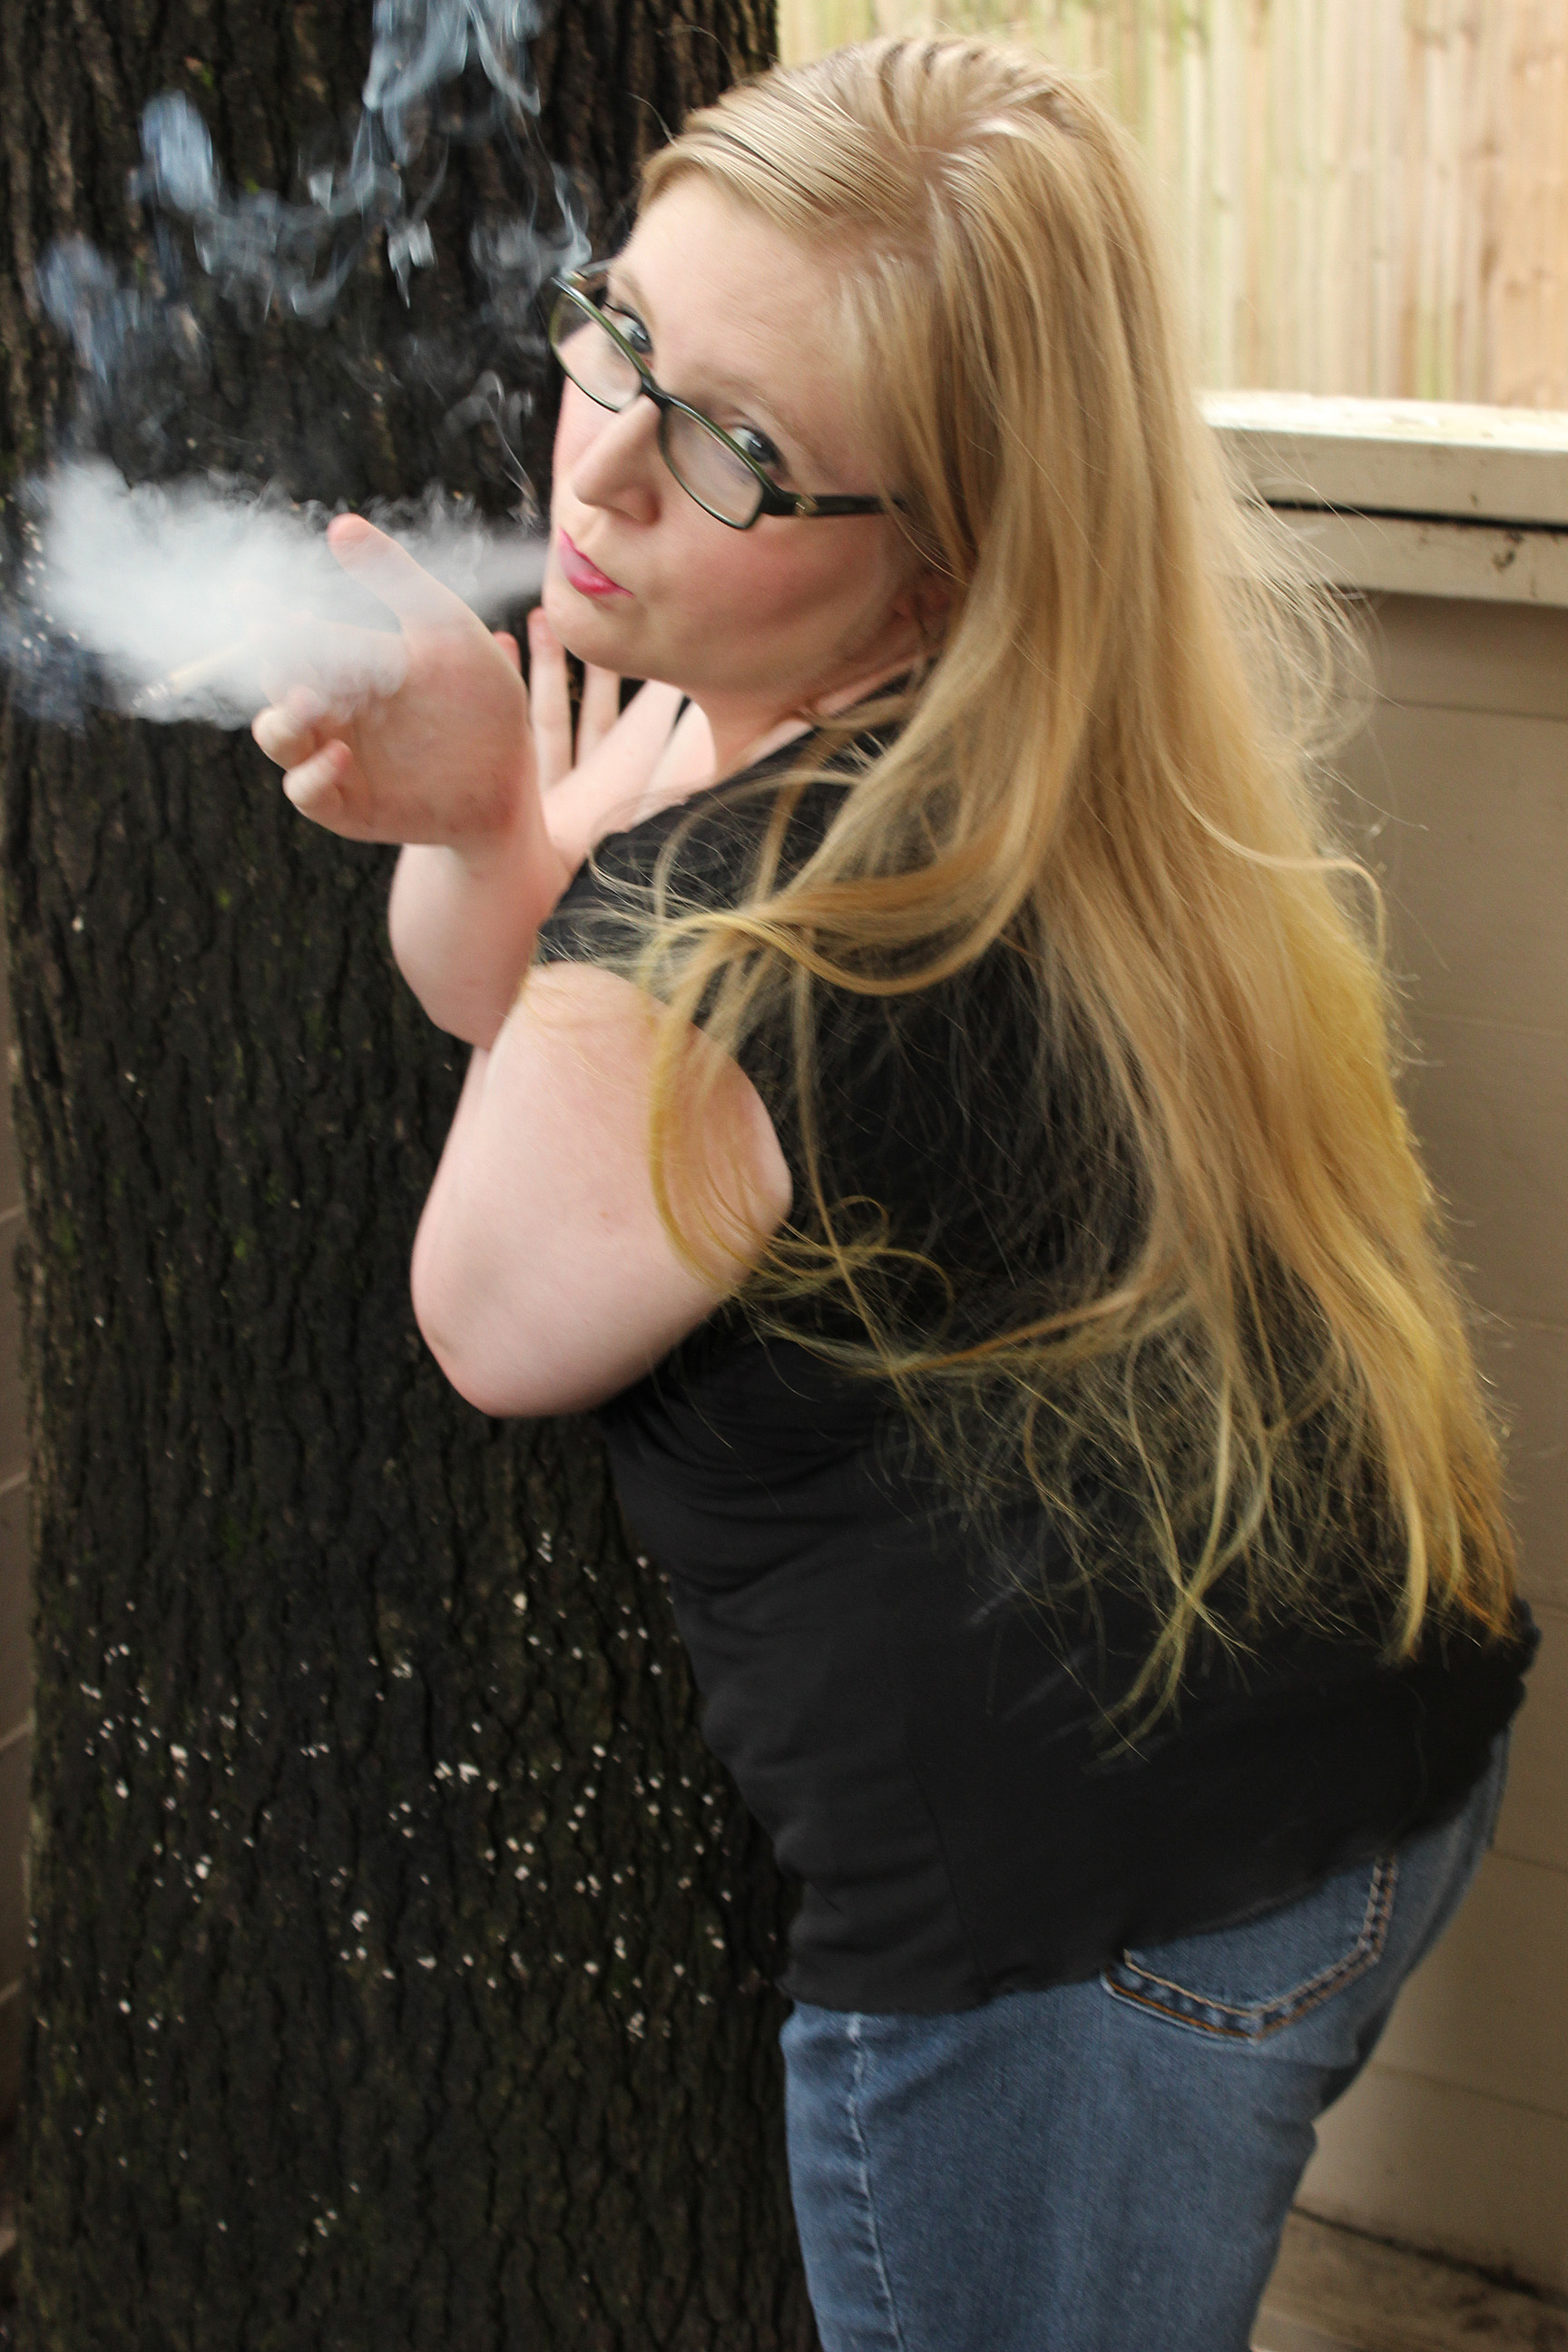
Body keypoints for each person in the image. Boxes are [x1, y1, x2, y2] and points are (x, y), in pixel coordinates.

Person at [252, 36, 1536, 2351]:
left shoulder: (763, 931)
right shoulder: (1027, 754)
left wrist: (557, 858)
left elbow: (496, 1304)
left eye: (732, 446)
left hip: (1099, 1942)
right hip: (1362, 1773)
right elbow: (540, 1013)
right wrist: (504, 835)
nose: (602, 461)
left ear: (940, 559)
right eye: (618, 333)